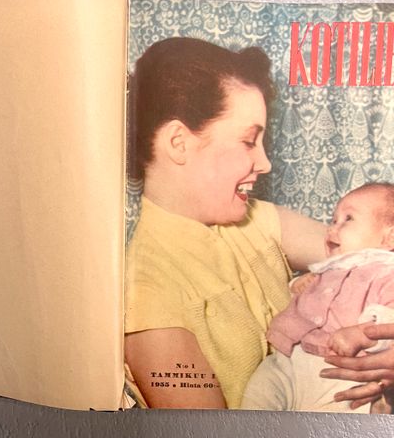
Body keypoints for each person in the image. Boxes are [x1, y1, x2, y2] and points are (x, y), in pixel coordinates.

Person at [124, 37, 394, 410]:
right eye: (249, 141)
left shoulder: (256, 221)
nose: (265, 163)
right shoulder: (147, 292)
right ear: (179, 143)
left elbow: (377, 255)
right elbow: (209, 436)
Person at [241, 183, 394, 413]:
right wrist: (297, 285)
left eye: (348, 219)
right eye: (334, 220)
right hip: (290, 360)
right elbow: (303, 302)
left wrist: (361, 334)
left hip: (341, 373)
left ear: (390, 237)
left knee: (345, 413)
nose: (332, 228)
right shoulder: (327, 269)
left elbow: (390, 318)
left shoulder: (386, 272)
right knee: (259, 394)